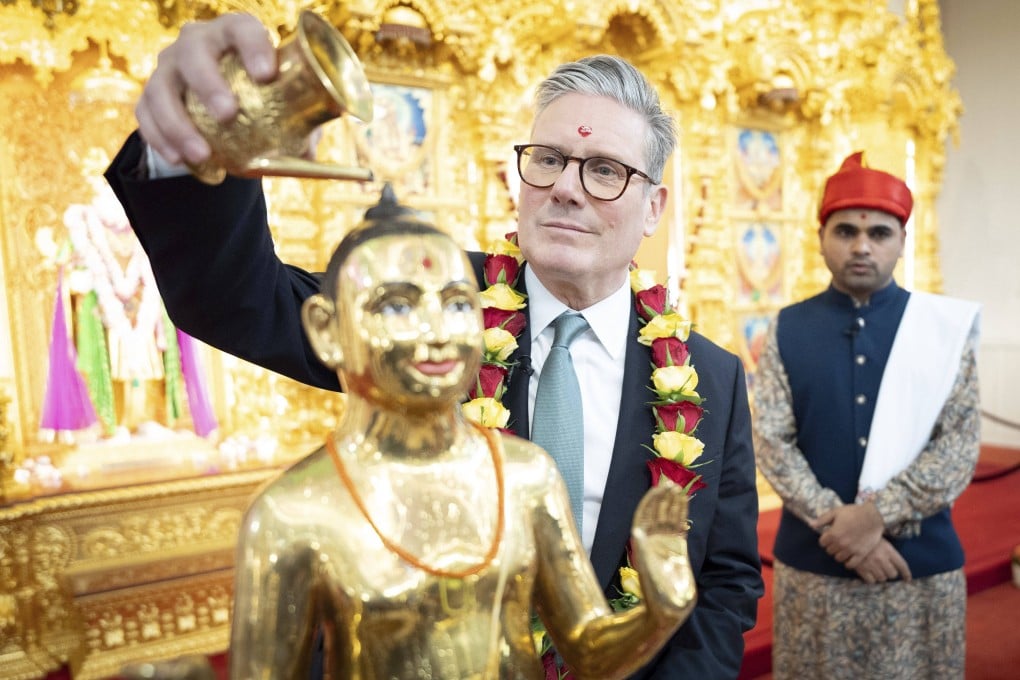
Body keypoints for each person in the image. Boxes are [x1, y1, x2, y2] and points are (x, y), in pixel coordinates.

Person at [105, 12, 762, 677]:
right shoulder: (429, 302)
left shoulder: (710, 378)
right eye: (549, 159)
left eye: (604, 170)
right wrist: (194, 144)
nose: (566, 186)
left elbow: (726, 583)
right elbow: (237, 301)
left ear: (654, 207)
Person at [228, 190, 696, 678]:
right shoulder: (292, 512)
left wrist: (661, 608)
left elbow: (589, 646)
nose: (438, 332)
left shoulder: (525, 475)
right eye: (396, 307)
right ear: (327, 330)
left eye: (455, 304)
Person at [753, 151, 981, 679]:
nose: (861, 245)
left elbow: (959, 445)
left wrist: (875, 517)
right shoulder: (789, 327)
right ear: (821, 237)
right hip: (815, 566)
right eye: (846, 230)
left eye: (879, 232)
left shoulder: (942, 333)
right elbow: (771, 440)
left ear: (901, 242)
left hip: (918, 567)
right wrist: (842, 531)